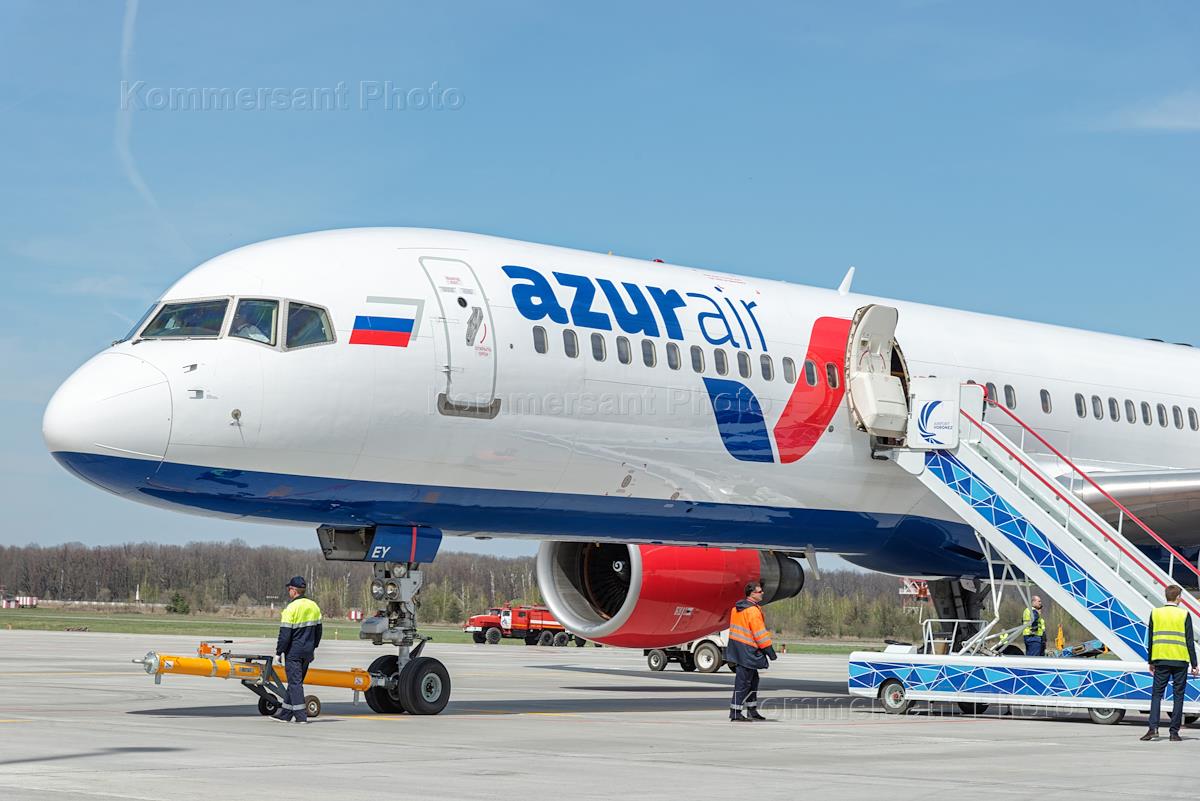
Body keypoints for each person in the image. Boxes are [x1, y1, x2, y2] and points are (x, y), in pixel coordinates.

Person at [1140, 584, 1198, 742]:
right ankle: (1174, 733)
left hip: (1161, 660)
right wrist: (1194, 664)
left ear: (1166, 596)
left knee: (1157, 695)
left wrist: (1151, 661)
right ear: (1178, 597)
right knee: (1178, 696)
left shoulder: (1156, 613)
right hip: (1180, 661)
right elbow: (1189, 641)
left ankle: (1153, 729)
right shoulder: (1184, 614)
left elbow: (1151, 639)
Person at [272, 576, 323, 724]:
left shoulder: (291, 608)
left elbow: (285, 635)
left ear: (294, 591)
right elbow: (319, 631)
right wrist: (313, 647)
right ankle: (285, 715)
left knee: (295, 684)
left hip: (294, 652)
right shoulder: (314, 606)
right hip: (308, 651)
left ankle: (301, 716)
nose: (288, 591)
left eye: (289, 589)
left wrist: (278, 652)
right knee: (295, 682)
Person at [727, 581, 778, 722]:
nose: (762, 593)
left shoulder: (737, 609)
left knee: (753, 681)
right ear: (752, 593)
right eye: (759, 591)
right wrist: (770, 651)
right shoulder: (753, 611)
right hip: (748, 651)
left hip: (738, 649)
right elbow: (759, 634)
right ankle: (735, 712)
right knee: (743, 683)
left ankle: (751, 710)